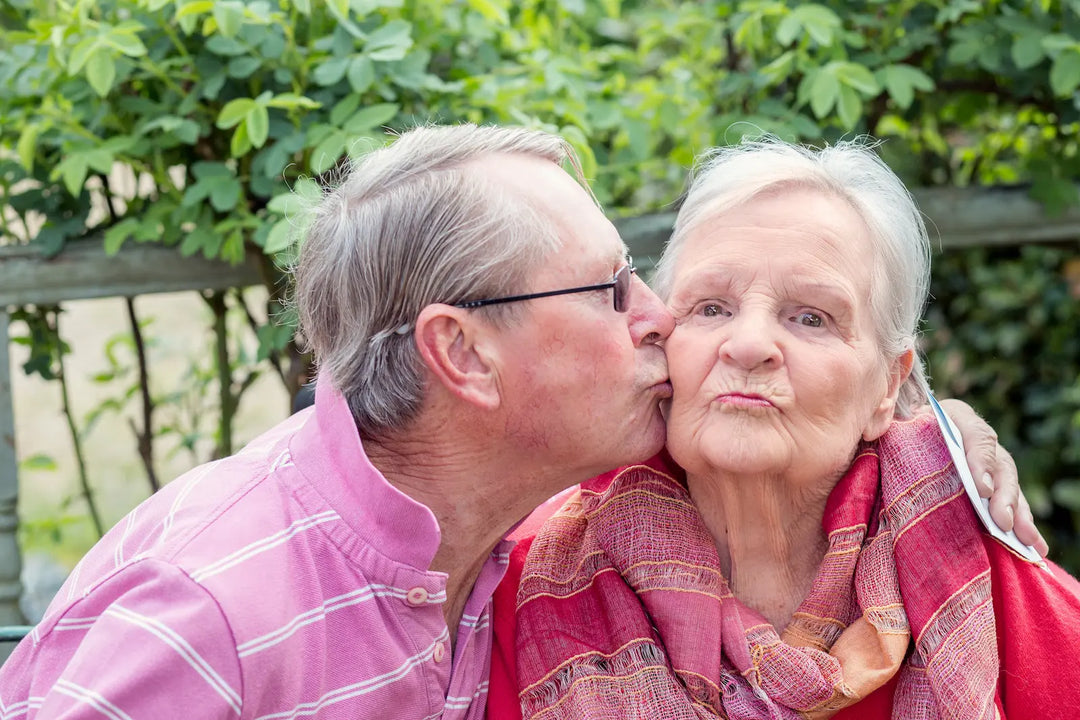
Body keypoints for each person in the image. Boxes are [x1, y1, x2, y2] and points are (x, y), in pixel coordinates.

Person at [0, 125, 1035, 720]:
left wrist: (935, 434)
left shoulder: (514, 549)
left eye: (647, 282)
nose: (661, 320)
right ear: (464, 356)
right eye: (608, 289)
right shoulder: (209, 617)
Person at [491, 137, 1079, 719]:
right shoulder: (520, 585)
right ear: (659, 339)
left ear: (885, 386)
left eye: (810, 318)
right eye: (711, 308)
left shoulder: (1003, 597)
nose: (747, 345)